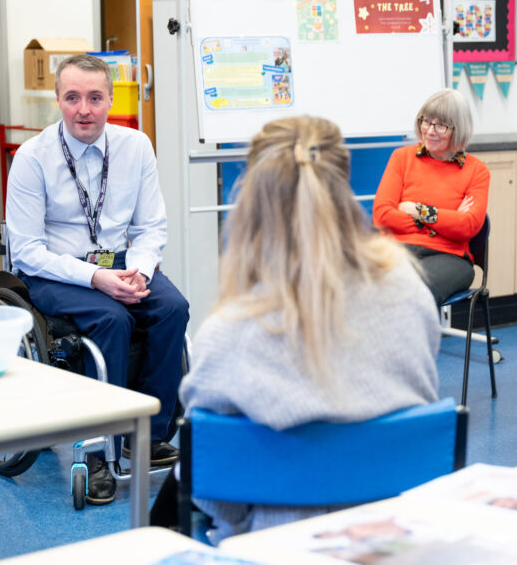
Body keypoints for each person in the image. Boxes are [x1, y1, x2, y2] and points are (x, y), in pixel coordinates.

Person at [150, 115, 440, 543]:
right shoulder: (408, 289)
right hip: (393, 539)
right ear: (344, 186)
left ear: (250, 203)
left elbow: (215, 495)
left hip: (275, 546)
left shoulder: (227, 335)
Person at [6, 54, 189, 505]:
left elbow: (150, 227)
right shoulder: (33, 158)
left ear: (111, 100)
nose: (83, 109)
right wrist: (96, 278)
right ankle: (100, 453)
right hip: (56, 268)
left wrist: (139, 272)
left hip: (123, 261)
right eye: (72, 98)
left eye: (94, 98)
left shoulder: (136, 146)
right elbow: (27, 250)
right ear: (58, 101)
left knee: (172, 307)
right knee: (111, 321)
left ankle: (148, 432)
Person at [373, 89, 490, 306]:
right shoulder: (401, 158)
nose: (430, 131)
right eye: (426, 121)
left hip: (450, 258)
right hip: (397, 248)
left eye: (441, 125)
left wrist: (418, 210)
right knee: (360, 285)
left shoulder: (477, 170)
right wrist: (446, 222)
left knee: (413, 292)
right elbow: (382, 215)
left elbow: (469, 226)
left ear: (459, 128)